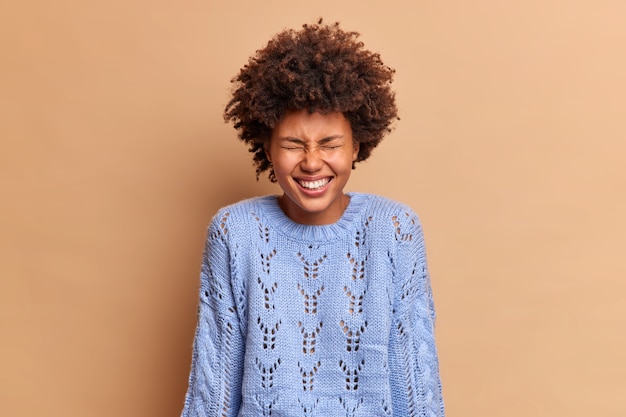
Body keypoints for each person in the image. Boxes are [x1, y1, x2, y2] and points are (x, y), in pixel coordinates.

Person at [180, 19, 445, 417]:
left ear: (357, 146)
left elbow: (414, 379)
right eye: (292, 145)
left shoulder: (394, 230)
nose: (311, 162)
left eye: (330, 144)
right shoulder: (234, 233)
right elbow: (214, 383)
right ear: (266, 148)